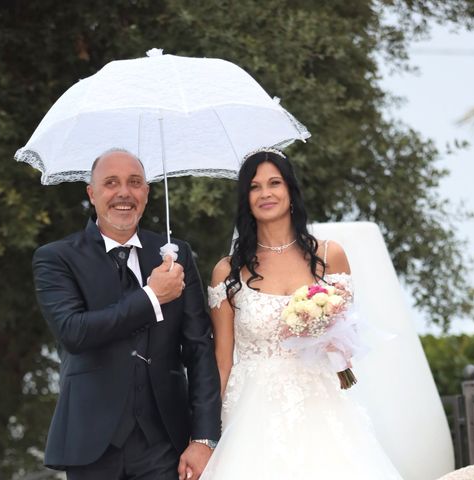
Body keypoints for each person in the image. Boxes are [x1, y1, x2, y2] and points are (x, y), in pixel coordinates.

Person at [202, 148, 403, 479]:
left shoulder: (329, 256)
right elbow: (222, 360)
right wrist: (207, 433)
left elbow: (346, 344)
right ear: (245, 199)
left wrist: (326, 327)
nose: (265, 193)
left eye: (274, 183)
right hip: (251, 416)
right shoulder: (227, 271)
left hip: (320, 405)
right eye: (254, 187)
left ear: (290, 192)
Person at [32, 149, 221, 480]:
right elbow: (75, 332)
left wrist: (204, 437)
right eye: (111, 183)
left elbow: (199, 349)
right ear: (92, 194)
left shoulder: (176, 255)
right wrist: (152, 297)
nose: (124, 193)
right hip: (90, 442)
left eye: (135, 183)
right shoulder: (56, 258)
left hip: (165, 442)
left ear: (147, 193)